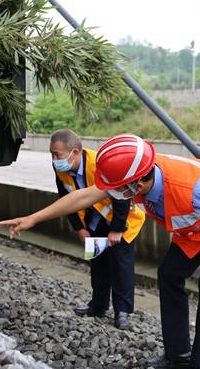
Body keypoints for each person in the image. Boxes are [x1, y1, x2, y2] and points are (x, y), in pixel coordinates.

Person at [0, 134, 200, 369]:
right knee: (169, 274)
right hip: (197, 229)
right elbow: (83, 196)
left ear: (137, 185)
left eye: (119, 190)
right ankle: (178, 355)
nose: (114, 193)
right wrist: (33, 218)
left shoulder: (193, 188)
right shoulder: (134, 172)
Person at [49, 129, 145, 330]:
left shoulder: (101, 164)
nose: (54, 158)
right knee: (98, 263)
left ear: (74, 152)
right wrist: (79, 229)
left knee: (121, 266)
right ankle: (98, 306)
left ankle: (122, 312)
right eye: (52, 154)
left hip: (122, 219)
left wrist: (117, 229)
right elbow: (66, 201)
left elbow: (122, 195)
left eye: (57, 154)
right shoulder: (60, 169)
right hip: (94, 221)